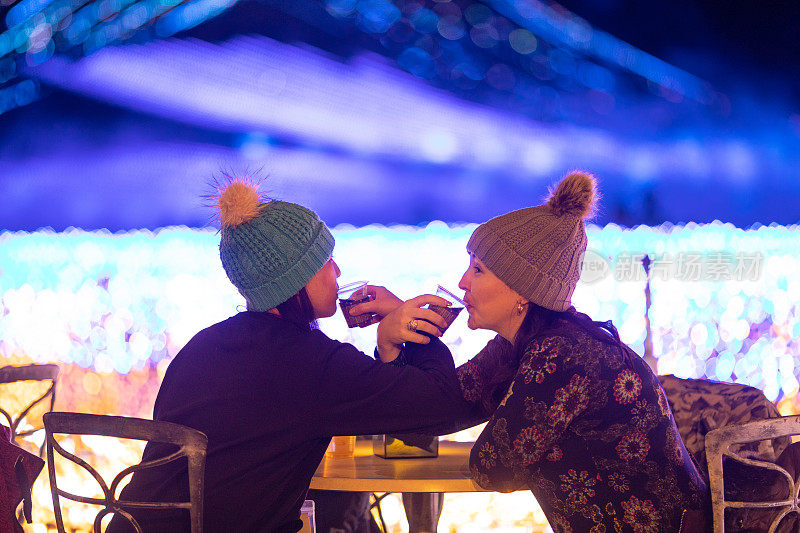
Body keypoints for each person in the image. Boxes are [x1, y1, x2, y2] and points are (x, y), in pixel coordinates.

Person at [107, 177, 472, 533]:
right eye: (327, 260)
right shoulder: (311, 363)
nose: (339, 272)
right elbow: (440, 402)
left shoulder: (201, 346)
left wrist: (389, 343)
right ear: (298, 277)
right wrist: (411, 328)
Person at [365, 171, 711, 532]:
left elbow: (491, 467)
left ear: (521, 290)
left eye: (478, 269)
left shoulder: (563, 357)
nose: (462, 282)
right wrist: (396, 334)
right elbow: (431, 415)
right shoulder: (522, 346)